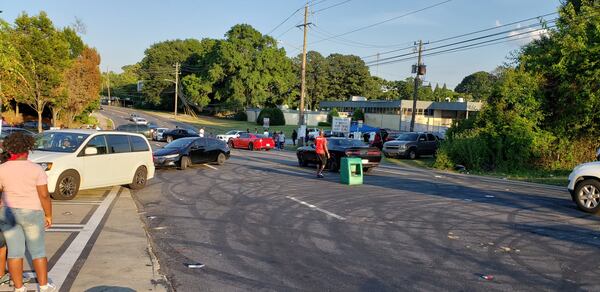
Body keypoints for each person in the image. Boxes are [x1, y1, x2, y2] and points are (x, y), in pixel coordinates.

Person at [0, 132, 54, 292]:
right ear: (28, 149)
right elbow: (44, 195)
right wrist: (48, 215)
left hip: (8, 214)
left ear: (9, 150)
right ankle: (44, 286)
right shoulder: (36, 169)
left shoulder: (1, 169)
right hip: (32, 212)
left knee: (15, 252)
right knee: (38, 251)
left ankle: (19, 288)